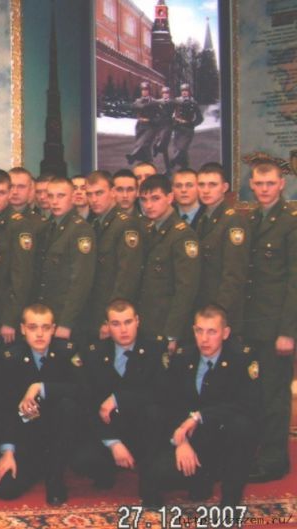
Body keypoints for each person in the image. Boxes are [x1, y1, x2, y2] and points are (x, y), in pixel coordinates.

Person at [140, 305, 259, 507]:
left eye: (212, 332)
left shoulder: (241, 359)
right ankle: (199, 481)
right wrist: (181, 442)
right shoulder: (182, 357)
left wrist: (199, 416)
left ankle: (230, 502)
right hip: (193, 440)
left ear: (225, 333)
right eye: (199, 331)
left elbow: (248, 405)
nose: (204, 339)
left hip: (223, 441)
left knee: (243, 426)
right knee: (155, 476)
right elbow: (168, 403)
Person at [0, 303, 82, 505]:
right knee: (5, 489)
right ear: (23, 329)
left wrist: (40, 387)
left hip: (59, 437)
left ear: (53, 329)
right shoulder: (9, 358)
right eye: (33, 327)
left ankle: (55, 477)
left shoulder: (67, 352)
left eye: (45, 327)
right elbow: (4, 409)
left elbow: (83, 390)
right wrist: (8, 452)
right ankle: (40, 466)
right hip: (26, 437)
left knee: (68, 406)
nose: (39, 334)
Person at [72, 299, 166, 491]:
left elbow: (162, 393)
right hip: (111, 430)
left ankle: (149, 478)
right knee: (81, 460)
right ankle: (107, 472)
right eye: (116, 324)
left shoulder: (155, 349)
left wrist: (119, 399)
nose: (123, 330)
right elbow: (88, 403)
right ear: (107, 326)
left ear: (137, 321)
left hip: (144, 431)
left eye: (128, 322)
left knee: (154, 412)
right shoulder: (94, 353)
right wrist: (113, 443)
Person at [244, 154, 297, 483]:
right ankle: (253, 454)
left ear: (282, 184)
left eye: (270, 183)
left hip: (276, 326)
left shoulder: (291, 221)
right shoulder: (251, 219)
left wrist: (288, 331)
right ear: (251, 185)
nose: (264, 189)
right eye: (259, 183)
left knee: (274, 396)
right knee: (253, 394)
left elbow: (294, 280)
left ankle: (274, 460)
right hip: (251, 323)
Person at [137, 175, 200, 352]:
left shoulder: (182, 235)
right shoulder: (151, 229)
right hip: (149, 323)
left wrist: (173, 333)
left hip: (167, 326)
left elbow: (186, 289)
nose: (148, 205)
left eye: (155, 198)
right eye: (144, 200)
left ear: (170, 197)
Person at [0, 169, 46, 343]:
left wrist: (10, 319)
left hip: (4, 311)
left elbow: (21, 278)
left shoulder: (20, 226)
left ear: (9, 193)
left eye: (1, 193)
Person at [81, 170, 144, 338]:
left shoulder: (125, 225)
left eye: (99, 193)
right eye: (90, 194)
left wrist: (111, 319)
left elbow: (127, 276)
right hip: (95, 309)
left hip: (113, 314)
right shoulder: (95, 224)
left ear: (113, 192)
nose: (94, 199)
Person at [37, 177, 96, 340]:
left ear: (72, 197)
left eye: (61, 196)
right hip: (47, 313)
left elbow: (81, 281)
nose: (55, 201)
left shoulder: (80, 230)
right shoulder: (49, 226)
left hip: (67, 317)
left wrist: (66, 323)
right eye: (51, 196)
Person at [194, 162, 249, 332]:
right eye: (201, 184)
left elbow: (233, 275)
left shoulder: (233, 221)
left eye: (212, 185)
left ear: (224, 187)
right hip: (204, 307)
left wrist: (218, 310)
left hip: (222, 313)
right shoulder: (203, 218)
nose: (206, 190)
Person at [170, 83, 204, 170]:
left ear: (189, 92)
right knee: (178, 148)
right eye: (183, 91)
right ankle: (185, 166)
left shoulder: (193, 103)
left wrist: (192, 124)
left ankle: (172, 162)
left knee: (182, 148)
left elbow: (200, 118)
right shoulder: (176, 101)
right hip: (178, 128)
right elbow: (169, 113)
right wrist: (173, 122)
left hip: (188, 129)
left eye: (186, 91)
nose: (184, 92)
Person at [125, 82, 158, 165]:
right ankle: (148, 160)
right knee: (144, 144)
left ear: (149, 91)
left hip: (150, 126)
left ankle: (133, 156)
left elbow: (160, 115)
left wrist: (150, 120)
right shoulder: (138, 101)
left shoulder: (154, 102)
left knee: (143, 142)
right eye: (143, 90)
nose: (144, 92)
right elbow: (132, 107)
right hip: (140, 125)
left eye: (146, 90)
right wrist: (139, 106)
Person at [153, 86, 174, 172]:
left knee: (164, 143)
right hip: (160, 124)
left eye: (167, 93)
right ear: (162, 94)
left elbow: (176, 111)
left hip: (168, 124)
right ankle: (168, 168)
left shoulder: (172, 102)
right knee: (163, 146)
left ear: (169, 94)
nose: (165, 95)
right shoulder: (158, 102)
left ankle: (157, 148)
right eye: (164, 93)